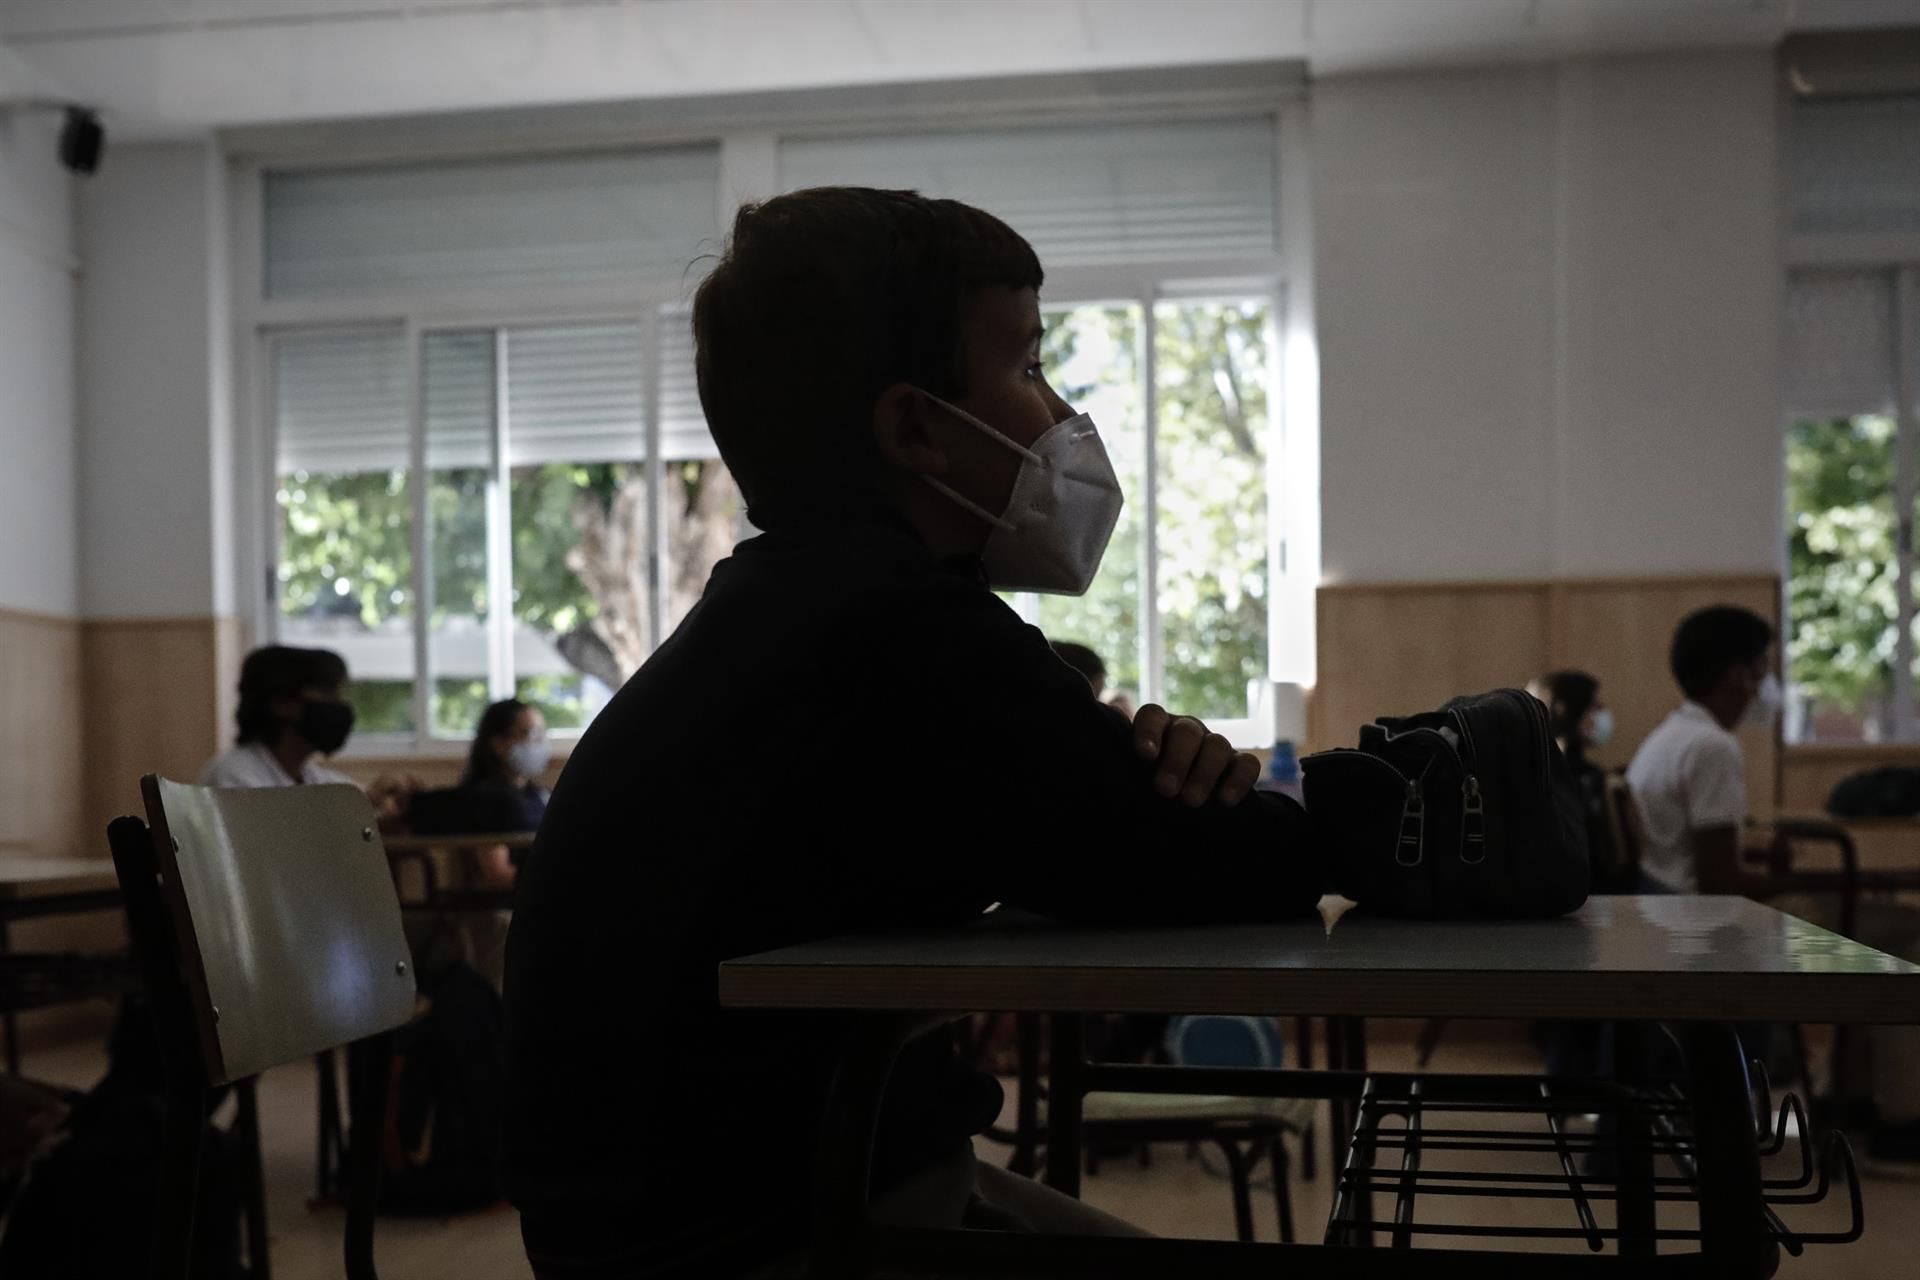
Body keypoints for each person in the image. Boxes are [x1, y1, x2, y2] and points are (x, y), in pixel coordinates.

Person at [503, 187, 1323, 1278]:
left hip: (747, 1197)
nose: (1060, 411)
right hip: (764, 1232)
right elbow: (1216, 863)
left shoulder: (808, 607)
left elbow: (1104, 833)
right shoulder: (898, 630)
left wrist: (1167, 794)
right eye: (1029, 367)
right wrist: (1383, 802)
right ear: (915, 428)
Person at [1624, 607, 1776, 894]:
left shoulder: (1668, 735)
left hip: (1658, 900)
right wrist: (1805, 884)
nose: (1764, 687)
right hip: (1694, 919)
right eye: (1761, 671)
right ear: (1737, 675)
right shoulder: (1712, 747)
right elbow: (1719, 883)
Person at [200, 645, 357, 788]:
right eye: (328, 694)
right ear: (282, 703)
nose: (339, 704)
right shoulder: (234, 776)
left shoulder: (316, 779)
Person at [1527, 670, 1623, 889]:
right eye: (1595, 705)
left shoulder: (1539, 769)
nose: (1602, 713)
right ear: (1570, 711)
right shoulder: (1586, 779)